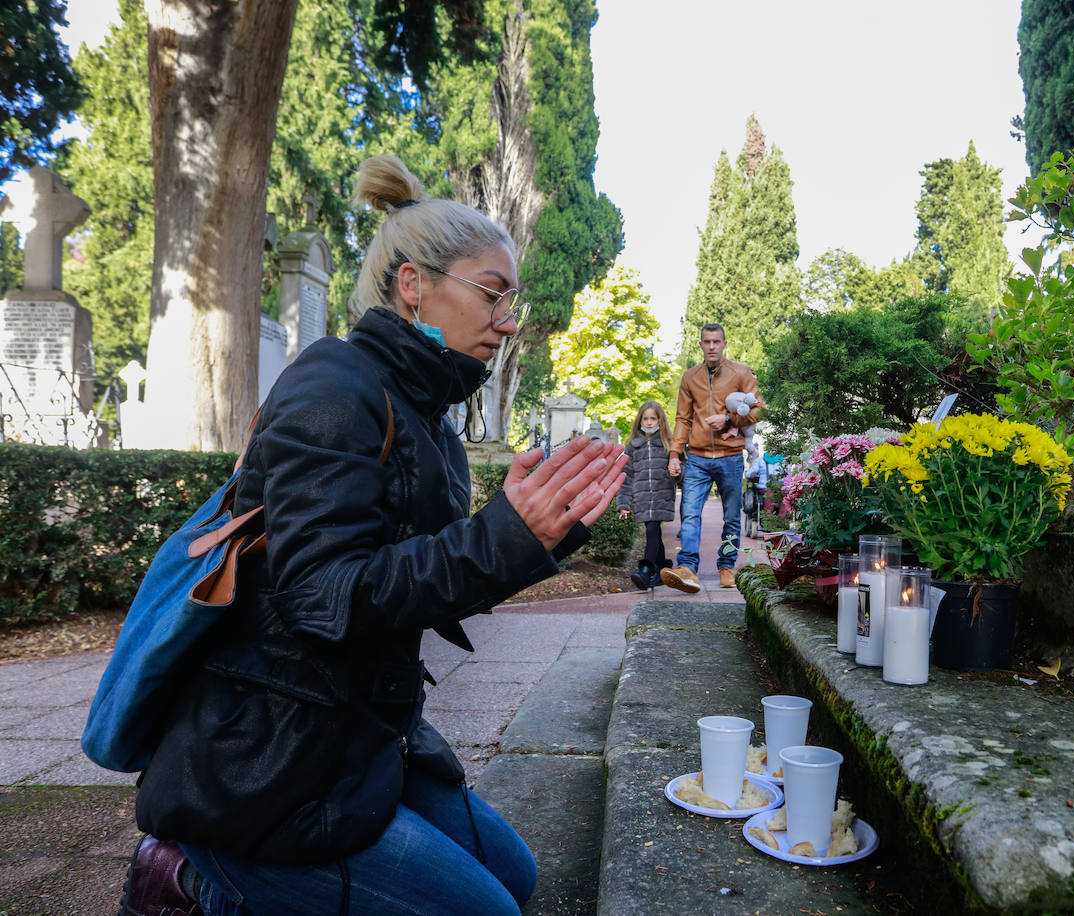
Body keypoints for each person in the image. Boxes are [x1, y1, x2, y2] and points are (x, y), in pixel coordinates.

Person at [118, 154, 627, 916]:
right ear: (413, 284)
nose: (509, 321)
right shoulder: (333, 386)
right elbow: (322, 597)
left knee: (516, 877)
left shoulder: (430, 420)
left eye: (511, 301)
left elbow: (429, 579)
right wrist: (499, 538)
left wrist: (539, 537)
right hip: (268, 766)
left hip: (360, 736)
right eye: (493, 293)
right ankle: (192, 881)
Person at [660, 323, 761, 593]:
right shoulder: (690, 377)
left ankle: (726, 566)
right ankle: (687, 568)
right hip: (697, 457)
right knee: (690, 514)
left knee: (732, 517)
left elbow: (757, 411)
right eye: (707, 341)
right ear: (701, 344)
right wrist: (674, 454)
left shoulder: (741, 373)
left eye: (717, 341)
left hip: (730, 457)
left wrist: (729, 419)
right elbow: (683, 419)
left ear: (724, 343)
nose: (712, 346)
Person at [617, 400, 677, 589]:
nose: (649, 422)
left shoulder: (669, 444)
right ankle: (662, 569)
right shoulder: (632, 445)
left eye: (653, 418)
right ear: (640, 421)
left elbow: (681, 468)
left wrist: (677, 471)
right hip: (642, 497)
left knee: (652, 529)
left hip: (662, 495)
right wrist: (624, 503)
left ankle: (645, 570)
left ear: (660, 420)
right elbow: (626, 476)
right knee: (654, 533)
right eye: (646, 419)